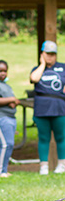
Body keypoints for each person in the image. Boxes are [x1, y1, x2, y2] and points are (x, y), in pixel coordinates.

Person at [30, 40, 65, 175]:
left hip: (59, 108)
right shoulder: (36, 69)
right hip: (42, 108)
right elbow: (34, 79)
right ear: (42, 54)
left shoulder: (63, 68)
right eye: (47, 54)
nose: (50, 56)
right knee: (43, 137)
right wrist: (43, 64)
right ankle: (43, 166)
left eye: (52, 54)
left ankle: (62, 165)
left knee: (61, 137)